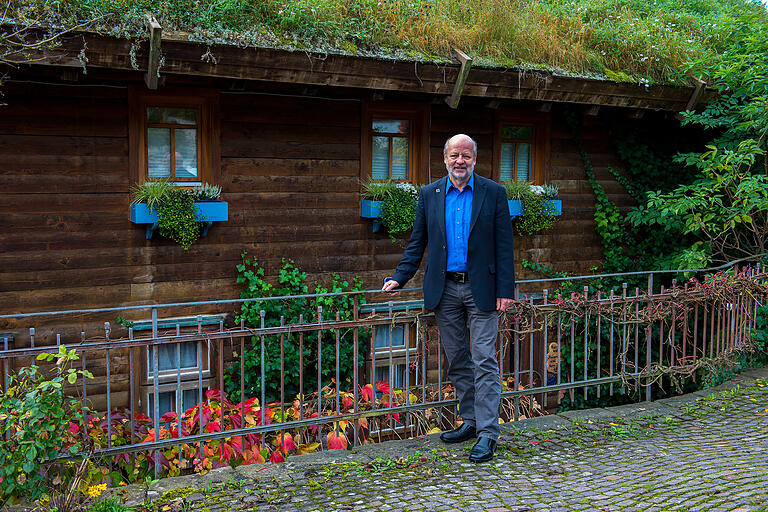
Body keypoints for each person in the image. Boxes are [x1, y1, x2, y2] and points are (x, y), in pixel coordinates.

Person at [382, 133, 515, 463]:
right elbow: (418, 242)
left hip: (481, 288)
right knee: (457, 360)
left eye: (466, 156)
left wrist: (505, 290)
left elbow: (505, 246)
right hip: (445, 290)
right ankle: (469, 422)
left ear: (474, 160)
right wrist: (399, 277)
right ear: (444, 158)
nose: (460, 161)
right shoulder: (429, 195)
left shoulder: (494, 193)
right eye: (455, 155)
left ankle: (487, 433)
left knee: (484, 359)